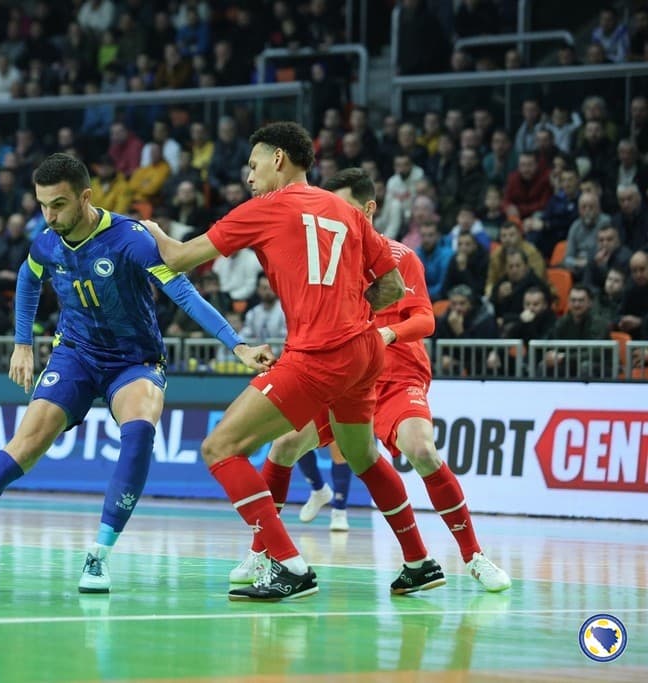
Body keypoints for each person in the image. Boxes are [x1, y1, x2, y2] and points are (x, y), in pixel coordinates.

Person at [0, 153, 266, 593]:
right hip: (75, 354)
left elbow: (183, 292)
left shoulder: (131, 239)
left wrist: (237, 344)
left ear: (85, 197)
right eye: (42, 205)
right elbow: (28, 279)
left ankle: (98, 555)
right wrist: (21, 344)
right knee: (24, 445)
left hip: (134, 360)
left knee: (140, 430)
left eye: (58, 205)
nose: (49, 216)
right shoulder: (46, 242)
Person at [145, 122, 444, 602]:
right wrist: (347, 307)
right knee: (364, 455)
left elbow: (179, 259)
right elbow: (389, 288)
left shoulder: (264, 208)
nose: (249, 176)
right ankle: (419, 561)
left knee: (220, 448)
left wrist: (151, 230)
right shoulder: (346, 210)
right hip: (367, 349)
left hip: (319, 353)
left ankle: (289, 565)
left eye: (254, 164)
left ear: (279, 159)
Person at [228, 168, 511, 593]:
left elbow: (425, 319)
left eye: (344, 206)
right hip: (342, 373)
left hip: (395, 374)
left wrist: (385, 332)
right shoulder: (326, 259)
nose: (334, 214)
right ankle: (263, 551)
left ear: (369, 208)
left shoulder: (399, 256)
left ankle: (473, 556)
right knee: (285, 445)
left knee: (421, 450)